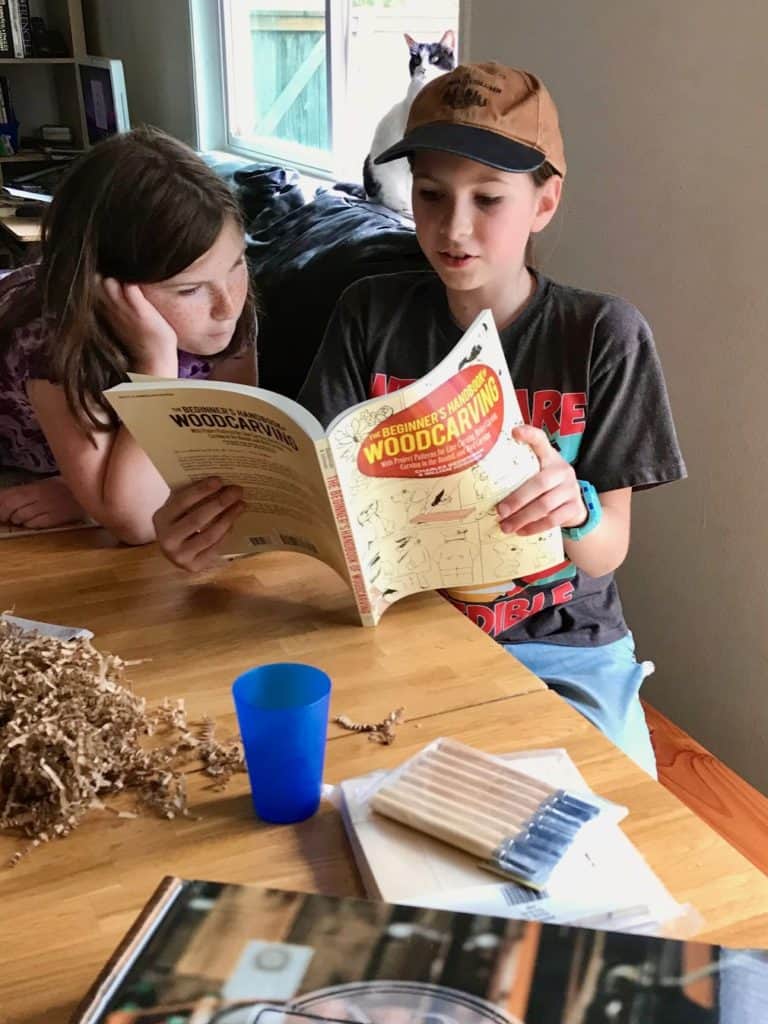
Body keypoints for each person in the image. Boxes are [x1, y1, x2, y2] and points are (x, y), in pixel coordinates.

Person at [152, 63, 686, 775]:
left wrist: (575, 507)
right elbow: (315, 497)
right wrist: (215, 536)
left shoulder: (602, 334)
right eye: (431, 194)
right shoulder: (369, 313)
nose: (453, 226)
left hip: (564, 646)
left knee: (605, 832)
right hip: (405, 626)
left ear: (546, 202)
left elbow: (606, 549)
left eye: (488, 199)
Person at [0, 126, 257, 542]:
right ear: (108, 290)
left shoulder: (229, 308)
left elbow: (224, 458)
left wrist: (85, 494)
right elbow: (138, 521)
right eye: (189, 289)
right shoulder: (50, 342)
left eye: (237, 265)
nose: (227, 306)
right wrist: (156, 367)